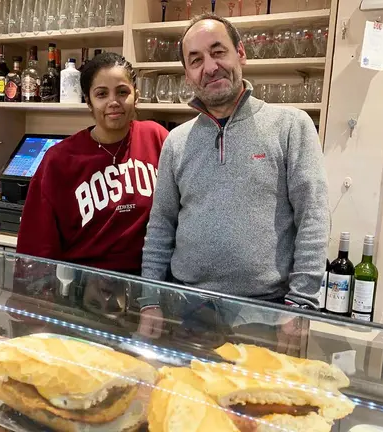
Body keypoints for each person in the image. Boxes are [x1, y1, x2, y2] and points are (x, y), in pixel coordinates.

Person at [137, 14, 330, 341]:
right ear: (187, 74)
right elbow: (161, 225)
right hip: (186, 308)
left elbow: (313, 216)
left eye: (218, 52)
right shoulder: (177, 141)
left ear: (240, 53)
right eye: (195, 60)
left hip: (267, 312)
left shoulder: (290, 126)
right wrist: (150, 300)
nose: (210, 67)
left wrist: (301, 304)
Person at [16, 52, 169, 275]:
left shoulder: (157, 138)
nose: (113, 102)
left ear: (136, 96)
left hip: (148, 282)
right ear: (88, 101)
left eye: (123, 92)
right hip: (84, 287)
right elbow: (36, 243)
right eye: (101, 94)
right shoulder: (59, 160)